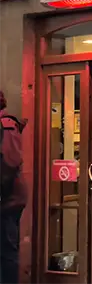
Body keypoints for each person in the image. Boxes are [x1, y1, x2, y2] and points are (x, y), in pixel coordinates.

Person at [0, 91, 25, 284]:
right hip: (8, 197)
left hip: (7, 200)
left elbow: (10, 161)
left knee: (7, 251)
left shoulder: (6, 125)